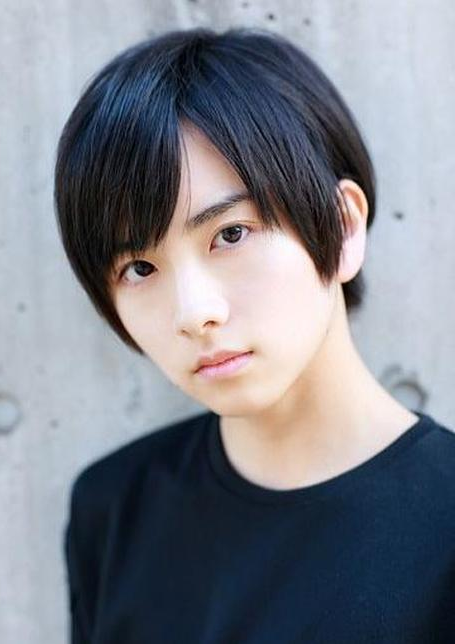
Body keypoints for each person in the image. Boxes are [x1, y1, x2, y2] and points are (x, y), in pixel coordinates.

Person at [54, 26, 455, 643]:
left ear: (342, 228)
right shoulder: (114, 510)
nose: (193, 313)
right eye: (139, 269)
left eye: (231, 234)